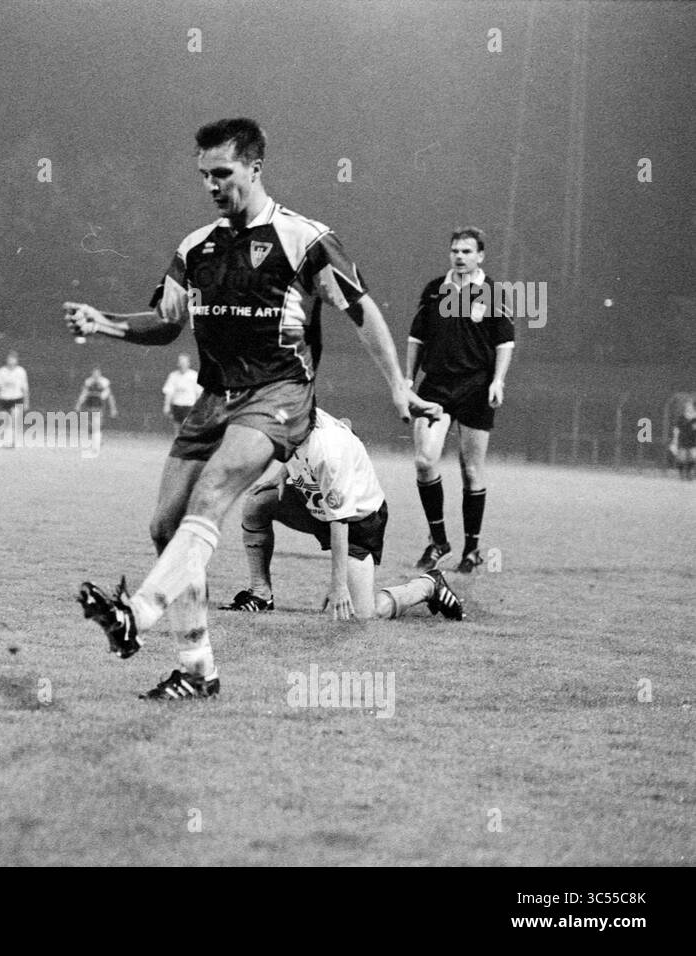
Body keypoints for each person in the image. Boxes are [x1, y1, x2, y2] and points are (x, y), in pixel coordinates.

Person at [64, 117, 439, 701]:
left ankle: (135, 614)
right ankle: (196, 670)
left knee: (213, 493)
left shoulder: (304, 240)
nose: (212, 185)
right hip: (214, 401)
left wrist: (398, 383)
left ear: (255, 169)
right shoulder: (196, 248)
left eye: (223, 173)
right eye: (204, 175)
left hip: (279, 395)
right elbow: (166, 323)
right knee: (166, 527)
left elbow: (361, 311)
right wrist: (104, 323)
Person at [219, 408, 464, 621]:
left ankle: (427, 585)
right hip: (317, 504)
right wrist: (281, 475)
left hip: (358, 522)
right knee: (257, 502)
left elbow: (340, 521)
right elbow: (338, 428)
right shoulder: (295, 418)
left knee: (364, 614)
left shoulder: (328, 452)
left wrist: (339, 585)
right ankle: (261, 595)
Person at [406, 227, 515, 573]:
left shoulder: (494, 292)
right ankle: (439, 542)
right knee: (425, 461)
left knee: (471, 470)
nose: (460, 256)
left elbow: (504, 344)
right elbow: (416, 338)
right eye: (455, 250)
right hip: (436, 386)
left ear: (480, 256)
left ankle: (472, 548)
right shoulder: (435, 290)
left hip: (475, 387)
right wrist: (409, 379)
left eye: (467, 251)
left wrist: (497, 380)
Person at [0, 351, 29, 448]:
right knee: (7, 422)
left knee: (15, 420)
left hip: (17, 398)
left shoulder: (21, 371)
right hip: (5, 399)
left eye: (13, 359)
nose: (11, 361)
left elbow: (25, 388)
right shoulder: (2, 371)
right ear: (7, 360)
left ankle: (17, 442)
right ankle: (8, 442)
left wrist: (26, 401)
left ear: (16, 360)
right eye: (10, 358)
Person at [75, 366, 118, 451]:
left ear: (100, 373)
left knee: (97, 424)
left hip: (99, 405)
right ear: (92, 373)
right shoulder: (88, 382)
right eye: (94, 372)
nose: (95, 374)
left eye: (97, 372)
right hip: (89, 405)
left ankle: (97, 441)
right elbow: (84, 393)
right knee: (90, 424)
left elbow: (109, 396)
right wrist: (78, 404)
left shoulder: (104, 382)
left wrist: (113, 408)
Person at [162, 353, 202, 431]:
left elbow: (199, 393)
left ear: (188, 364)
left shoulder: (194, 376)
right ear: (178, 364)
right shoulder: (173, 376)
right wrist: (166, 405)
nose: (182, 365)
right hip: (177, 406)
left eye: (184, 363)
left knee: (187, 428)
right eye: (180, 363)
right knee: (177, 428)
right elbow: (169, 392)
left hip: (189, 407)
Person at [671, 399, 696, 480]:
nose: (689, 408)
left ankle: (689, 474)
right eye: (687, 407)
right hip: (683, 440)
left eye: (691, 407)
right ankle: (681, 474)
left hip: (693, 441)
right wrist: (675, 440)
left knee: (693, 457)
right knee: (682, 458)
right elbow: (676, 429)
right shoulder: (681, 418)